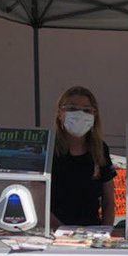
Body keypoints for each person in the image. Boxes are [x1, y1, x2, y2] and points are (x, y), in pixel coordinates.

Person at [50, 86, 116, 228]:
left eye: (86, 110)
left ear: (94, 116)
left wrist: (105, 231)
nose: (79, 114)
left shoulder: (100, 149)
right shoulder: (48, 148)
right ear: (60, 113)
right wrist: (63, 232)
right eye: (72, 109)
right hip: (53, 234)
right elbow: (37, 197)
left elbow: (109, 200)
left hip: (92, 234)